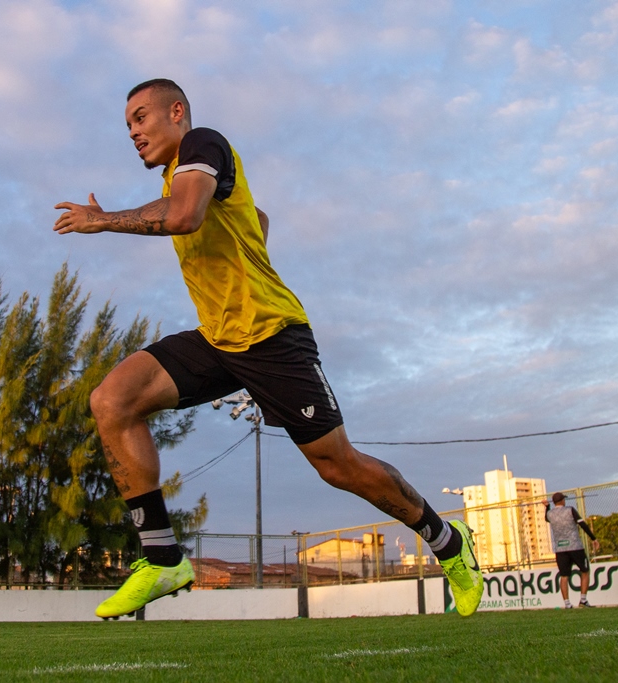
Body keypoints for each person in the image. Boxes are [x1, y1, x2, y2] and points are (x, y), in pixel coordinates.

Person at [53, 78, 484, 619]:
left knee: (337, 466)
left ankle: (448, 540)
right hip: (218, 338)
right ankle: (162, 557)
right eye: (128, 126)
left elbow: (184, 215)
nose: (134, 133)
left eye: (141, 118)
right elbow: (256, 219)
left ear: (177, 112)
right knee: (112, 401)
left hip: (273, 337)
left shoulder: (203, 144)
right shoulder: (182, 174)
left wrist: (103, 220)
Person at [544, 492, 600, 608]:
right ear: (562, 501)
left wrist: (547, 506)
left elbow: (547, 518)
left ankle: (567, 603)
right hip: (575, 547)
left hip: (560, 549)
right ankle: (583, 600)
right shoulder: (570, 510)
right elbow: (582, 524)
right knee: (584, 571)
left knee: (564, 576)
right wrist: (593, 538)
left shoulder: (550, 514)